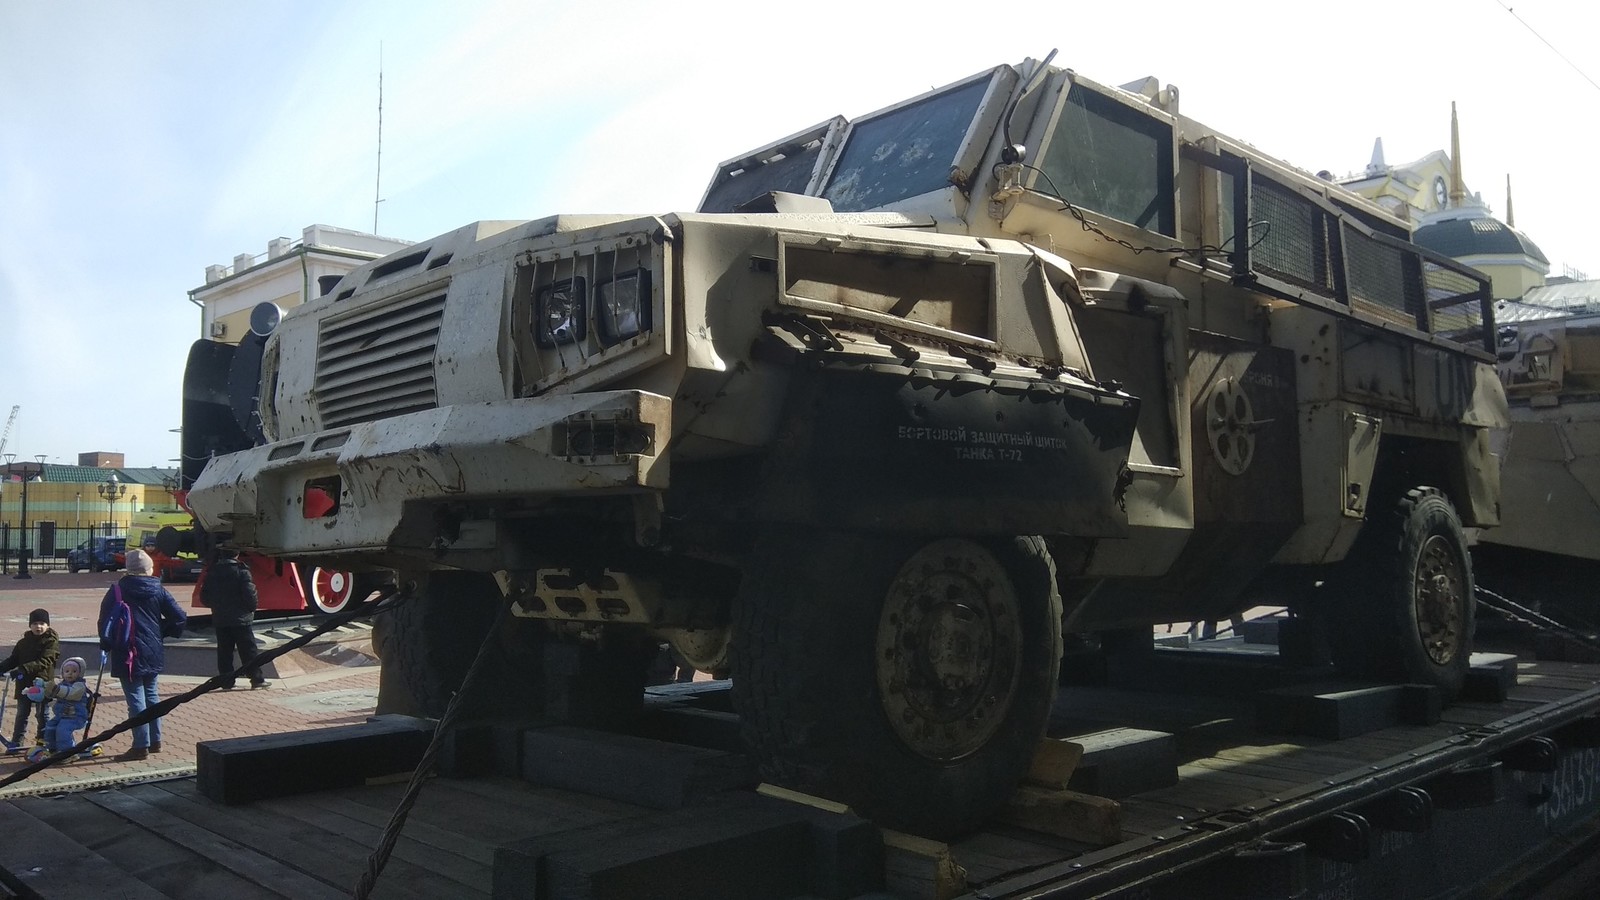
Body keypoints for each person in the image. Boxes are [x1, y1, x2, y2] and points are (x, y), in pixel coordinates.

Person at [97, 548, 187, 762]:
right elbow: (180, 618)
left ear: (128, 569)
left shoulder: (117, 590)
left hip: (126, 651)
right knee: (152, 695)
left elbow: (104, 623)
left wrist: (107, 644)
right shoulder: (159, 589)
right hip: (152, 649)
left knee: (136, 699)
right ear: (150, 568)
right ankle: (155, 741)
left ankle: (140, 746)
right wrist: (161, 632)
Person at [203, 547, 269, 690]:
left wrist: (217, 607)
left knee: (224, 652)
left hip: (221, 619)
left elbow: (205, 597)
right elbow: (250, 595)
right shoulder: (242, 571)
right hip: (241, 619)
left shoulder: (212, 572)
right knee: (248, 651)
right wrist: (250, 609)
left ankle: (226, 682)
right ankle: (256, 679)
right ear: (237, 554)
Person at [0, 608, 59, 753]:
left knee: (42, 714)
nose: (38, 627)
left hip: (42, 683)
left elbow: (45, 660)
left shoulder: (51, 643)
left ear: (48, 625)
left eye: (42, 623)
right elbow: (13, 660)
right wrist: (2, 668)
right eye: (35, 623)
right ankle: (17, 741)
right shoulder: (23, 643)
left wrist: (23, 669)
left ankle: (42, 739)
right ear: (30, 625)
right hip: (24, 683)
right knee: (21, 713)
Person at [24, 656, 90, 763]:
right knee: (50, 726)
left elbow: (70, 693)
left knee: (62, 730)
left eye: (74, 671)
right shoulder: (61, 684)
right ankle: (53, 749)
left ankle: (68, 752)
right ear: (62, 673)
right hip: (62, 715)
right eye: (67, 671)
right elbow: (53, 693)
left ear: (80, 673)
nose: (70, 673)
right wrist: (43, 689)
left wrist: (55, 688)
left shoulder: (79, 686)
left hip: (76, 716)